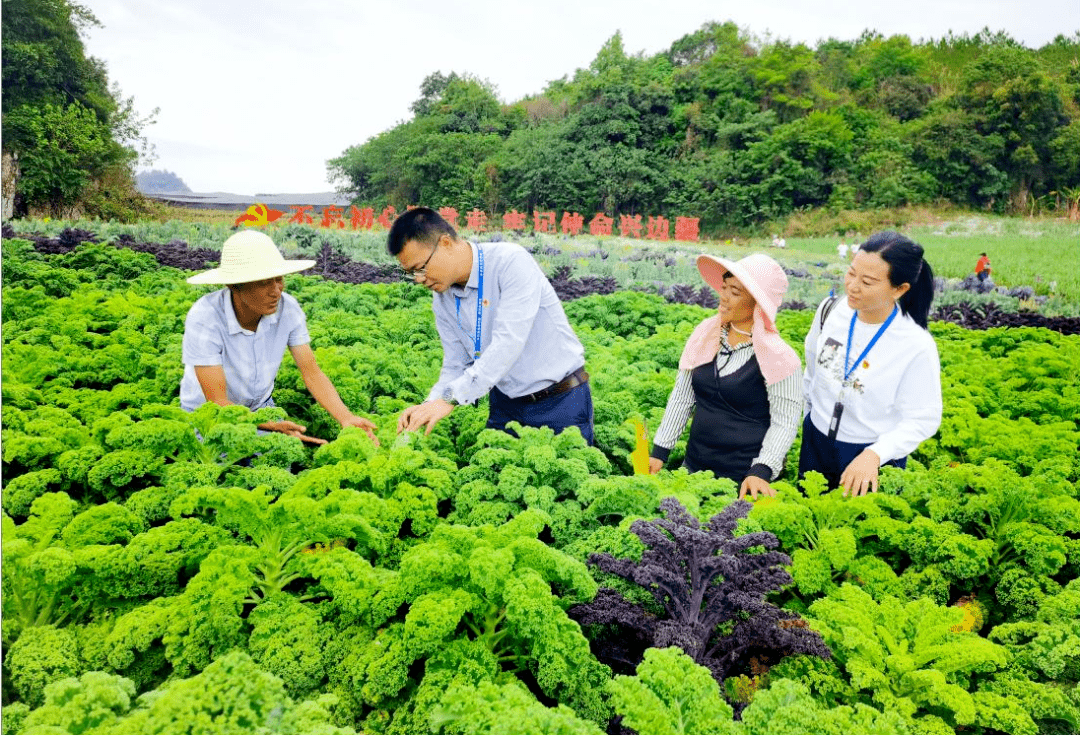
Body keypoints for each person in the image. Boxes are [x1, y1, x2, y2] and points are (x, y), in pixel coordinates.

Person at [388, 207, 594, 443]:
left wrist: (450, 399)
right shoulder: (442, 297)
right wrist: (429, 404)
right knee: (495, 474)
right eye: (411, 273)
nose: (419, 279)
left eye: (421, 268)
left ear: (445, 243)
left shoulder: (510, 262)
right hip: (505, 403)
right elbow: (456, 365)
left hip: (560, 402)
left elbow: (508, 343)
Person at [181, 230, 379, 445]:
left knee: (280, 459)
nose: (276, 291)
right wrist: (268, 427)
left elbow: (312, 373)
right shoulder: (205, 317)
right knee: (226, 468)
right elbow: (217, 401)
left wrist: (346, 418)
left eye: (279, 279)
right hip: (210, 415)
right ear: (234, 285)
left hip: (261, 407)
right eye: (264, 282)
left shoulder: (288, 308)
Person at [648, 254, 803, 500]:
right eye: (724, 287)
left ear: (757, 304)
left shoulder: (780, 357)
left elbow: (784, 422)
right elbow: (682, 397)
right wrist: (660, 451)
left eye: (736, 292)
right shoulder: (705, 334)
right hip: (694, 468)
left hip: (744, 481)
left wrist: (761, 471)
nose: (724, 296)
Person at [800, 231, 941, 496]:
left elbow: (924, 417)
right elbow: (812, 367)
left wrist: (876, 454)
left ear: (899, 289)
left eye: (867, 281)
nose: (853, 286)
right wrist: (809, 416)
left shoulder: (915, 344)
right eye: (851, 273)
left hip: (869, 456)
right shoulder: (831, 310)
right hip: (816, 442)